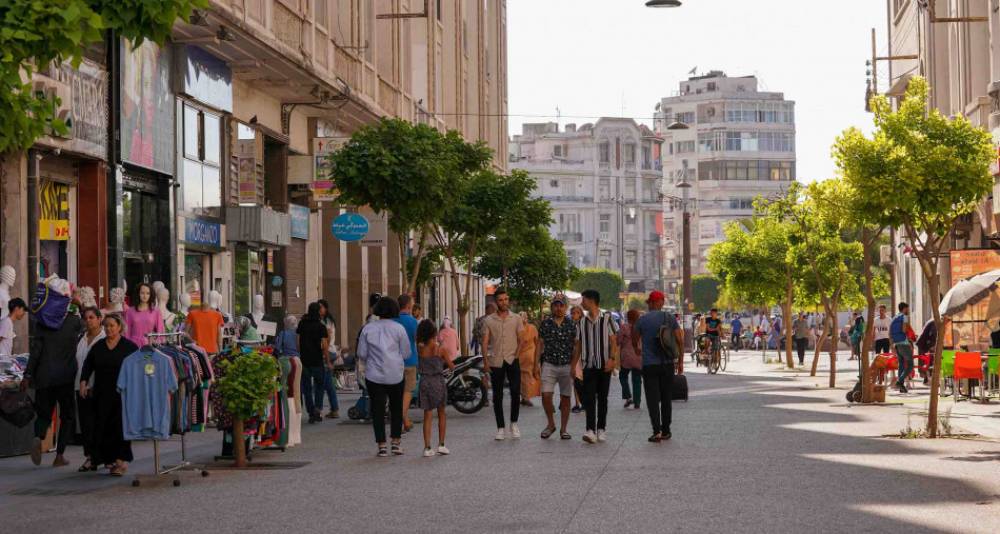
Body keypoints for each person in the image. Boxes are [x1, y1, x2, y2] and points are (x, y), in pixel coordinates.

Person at [23, 304, 82, 467]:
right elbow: (87, 327)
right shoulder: (74, 321)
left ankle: (38, 436)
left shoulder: (43, 323)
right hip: (65, 377)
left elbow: (35, 352)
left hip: (44, 376)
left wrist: (27, 375)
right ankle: (60, 455)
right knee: (67, 415)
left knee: (44, 413)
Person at [79, 314, 138, 476]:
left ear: (120, 327)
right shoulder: (98, 346)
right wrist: (83, 381)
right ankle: (108, 460)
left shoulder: (129, 347)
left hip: (122, 394)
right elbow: (88, 364)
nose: (109, 329)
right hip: (102, 393)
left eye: (112, 325)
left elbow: (138, 367)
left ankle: (121, 462)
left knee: (120, 428)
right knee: (102, 427)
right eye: (106, 326)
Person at [357, 296, 410, 457]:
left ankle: (381, 445)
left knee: (378, 409)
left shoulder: (368, 329)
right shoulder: (399, 329)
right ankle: (395, 442)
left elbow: (362, 353)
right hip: (395, 374)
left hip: (374, 375)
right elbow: (406, 353)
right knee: (396, 408)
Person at [633, 291, 683, 442]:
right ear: (661, 303)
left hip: (649, 365)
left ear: (654, 303)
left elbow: (635, 339)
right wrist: (680, 361)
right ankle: (666, 430)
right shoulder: (670, 318)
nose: (648, 304)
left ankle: (657, 432)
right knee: (666, 398)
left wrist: (638, 349)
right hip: (667, 364)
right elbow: (680, 339)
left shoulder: (642, 320)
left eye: (649, 302)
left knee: (652, 399)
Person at [571, 289, 618, 444]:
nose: (582, 303)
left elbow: (613, 341)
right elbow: (578, 346)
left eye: (583, 300)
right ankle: (590, 430)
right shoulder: (581, 322)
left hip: (604, 365)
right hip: (588, 365)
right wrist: (573, 365)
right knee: (589, 398)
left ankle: (601, 429)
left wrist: (612, 360)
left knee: (603, 398)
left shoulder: (607, 319)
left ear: (591, 300)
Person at [481, 289, 525, 440]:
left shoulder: (516, 318)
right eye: (501, 300)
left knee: (515, 391)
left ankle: (514, 423)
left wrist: (517, 355)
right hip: (496, 360)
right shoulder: (489, 320)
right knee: (497, 395)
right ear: (496, 302)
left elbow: (521, 339)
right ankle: (500, 427)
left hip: (512, 359)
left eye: (506, 299)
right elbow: (485, 341)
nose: (504, 302)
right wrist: (485, 361)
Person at [536, 294, 576, 440]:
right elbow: (539, 344)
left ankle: (564, 429)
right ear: (552, 307)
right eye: (556, 305)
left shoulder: (571, 324)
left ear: (565, 307)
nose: (558, 308)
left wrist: (575, 365)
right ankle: (551, 424)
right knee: (546, 395)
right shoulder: (546, 323)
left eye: (561, 305)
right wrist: (535, 364)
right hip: (549, 363)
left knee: (566, 397)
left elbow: (577, 345)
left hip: (566, 364)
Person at [416, 319, 454, 457]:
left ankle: (427, 447)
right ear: (434, 332)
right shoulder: (440, 349)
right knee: (442, 413)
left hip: (425, 382)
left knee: (427, 415)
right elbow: (451, 366)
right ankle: (442, 445)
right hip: (438, 381)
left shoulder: (419, 348)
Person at [73, 307, 105, 472]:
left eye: (92, 317)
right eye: (86, 318)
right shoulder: (81, 338)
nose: (89, 321)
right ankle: (90, 457)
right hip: (81, 386)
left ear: (100, 319)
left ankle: (105, 457)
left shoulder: (105, 337)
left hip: (99, 387)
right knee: (86, 424)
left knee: (100, 423)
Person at [297, 302, 330, 424]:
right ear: (318, 312)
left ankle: (311, 412)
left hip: (305, 360)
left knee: (307, 388)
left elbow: (298, 342)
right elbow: (325, 346)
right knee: (319, 387)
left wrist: (301, 354)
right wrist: (327, 361)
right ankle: (318, 409)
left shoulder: (302, 324)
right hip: (317, 360)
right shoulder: (321, 326)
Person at [394, 294, 420, 433]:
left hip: (393, 362)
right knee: (407, 391)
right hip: (409, 361)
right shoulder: (413, 321)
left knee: (397, 392)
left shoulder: (392, 320)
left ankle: (405, 420)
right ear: (409, 306)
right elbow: (417, 340)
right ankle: (401, 418)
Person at [317, 299, 340, 420]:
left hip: (328, 352)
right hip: (327, 352)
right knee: (326, 382)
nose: (319, 309)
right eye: (318, 307)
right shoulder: (322, 321)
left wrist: (324, 354)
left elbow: (328, 339)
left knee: (323, 383)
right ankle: (333, 409)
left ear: (326, 308)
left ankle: (321, 409)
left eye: (321, 307)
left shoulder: (327, 322)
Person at [123, 283, 164, 347]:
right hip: (133, 346)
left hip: (150, 346)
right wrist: (127, 346)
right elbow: (126, 332)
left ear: (151, 295)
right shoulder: (130, 311)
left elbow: (160, 331)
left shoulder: (156, 311)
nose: (145, 296)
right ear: (138, 294)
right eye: (142, 293)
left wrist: (157, 343)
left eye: (148, 293)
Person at [618, 309, 643, 409]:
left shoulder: (624, 327)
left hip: (626, 357)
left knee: (623, 376)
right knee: (637, 379)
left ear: (628, 317)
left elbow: (618, 341)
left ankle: (628, 397)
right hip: (638, 356)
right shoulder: (641, 328)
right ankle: (637, 402)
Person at [889, 302, 914, 393]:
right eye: (907, 309)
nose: (908, 311)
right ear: (904, 309)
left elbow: (890, 332)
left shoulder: (894, 318)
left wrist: (892, 345)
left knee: (901, 365)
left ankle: (901, 387)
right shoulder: (904, 317)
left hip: (896, 344)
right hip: (904, 343)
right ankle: (899, 381)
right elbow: (904, 329)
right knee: (910, 365)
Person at [517, 312, 540, 407]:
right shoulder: (532, 328)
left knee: (522, 377)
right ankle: (525, 397)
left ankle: (524, 397)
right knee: (527, 377)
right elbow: (537, 342)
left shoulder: (517, 329)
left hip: (521, 355)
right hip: (530, 354)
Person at [569, 305, 585, 413]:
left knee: (582, 379)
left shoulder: (584, 325)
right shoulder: (569, 325)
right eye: (573, 313)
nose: (575, 315)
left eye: (577, 313)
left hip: (582, 355)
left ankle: (583, 402)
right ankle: (577, 403)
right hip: (573, 354)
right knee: (575, 379)